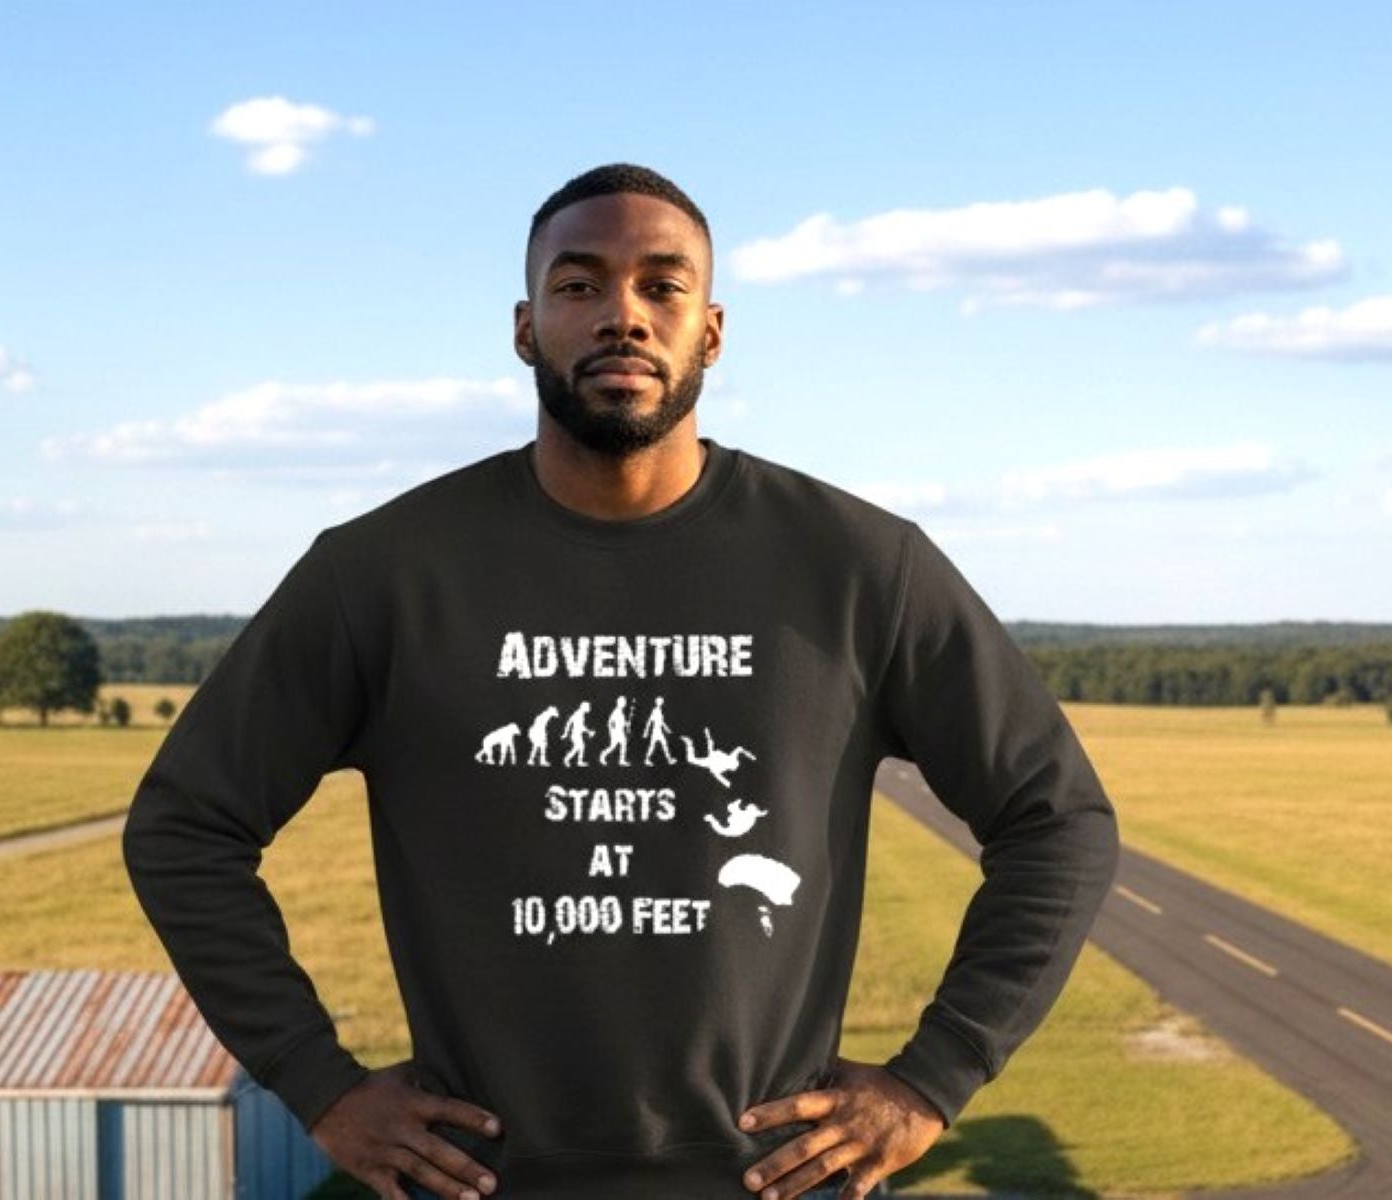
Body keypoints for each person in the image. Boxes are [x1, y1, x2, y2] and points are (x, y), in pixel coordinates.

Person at [122, 163, 1121, 1200]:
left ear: (712, 330)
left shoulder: (858, 568)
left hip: (767, 1181)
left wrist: (931, 1080)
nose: (621, 316)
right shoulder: (382, 574)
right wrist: (320, 1083)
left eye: (661, 286)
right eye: (578, 285)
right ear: (523, 327)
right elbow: (186, 823)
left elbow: (1056, 819)